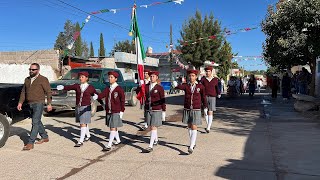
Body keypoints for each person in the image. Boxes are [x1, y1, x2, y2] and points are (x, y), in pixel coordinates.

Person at [56, 71, 98, 147]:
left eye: (82, 77)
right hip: (78, 106)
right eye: (80, 77)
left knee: (82, 123)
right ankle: (88, 136)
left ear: (86, 78)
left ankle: (80, 141)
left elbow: (96, 94)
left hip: (86, 107)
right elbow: (69, 87)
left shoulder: (90, 87)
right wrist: (63, 87)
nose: (80, 78)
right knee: (83, 122)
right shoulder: (77, 86)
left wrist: (97, 97)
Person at [18, 63, 52, 151]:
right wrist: (20, 102)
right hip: (30, 104)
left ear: (38, 70)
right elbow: (23, 92)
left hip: (39, 103)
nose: (31, 71)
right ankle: (44, 136)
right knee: (37, 121)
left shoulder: (43, 79)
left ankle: (30, 143)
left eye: (33, 70)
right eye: (30, 69)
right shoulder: (27, 79)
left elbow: (48, 92)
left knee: (35, 122)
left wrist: (49, 103)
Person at [173, 69, 207, 154]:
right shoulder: (186, 86)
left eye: (193, 76)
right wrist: (175, 84)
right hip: (187, 108)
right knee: (189, 126)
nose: (191, 77)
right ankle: (193, 142)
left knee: (194, 126)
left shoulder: (200, 86)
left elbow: (203, 98)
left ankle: (191, 146)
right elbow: (179, 87)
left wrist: (205, 107)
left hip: (196, 108)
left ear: (196, 77)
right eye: (190, 76)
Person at [136, 71, 166, 152]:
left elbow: (163, 100)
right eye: (151, 76)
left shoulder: (159, 88)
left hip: (157, 109)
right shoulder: (146, 86)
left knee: (153, 126)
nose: (152, 77)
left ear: (157, 77)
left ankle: (150, 146)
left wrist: (163, 111)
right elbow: (139, 92)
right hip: (148, 108)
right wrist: (140, 85)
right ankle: (156, 140)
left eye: (154, 76)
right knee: (151, 126)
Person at [97, 71, 125, 151]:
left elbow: (122, 101)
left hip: (116, 111)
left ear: (116, 79)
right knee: (112, 126)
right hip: (108, 110)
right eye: (109, 77)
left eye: (111, 77)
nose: (109, 78)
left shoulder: (119, 89)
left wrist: (122, 111)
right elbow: (101, 95)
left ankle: (109, 145)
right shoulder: (108, 88)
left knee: (112, 127)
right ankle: (118, 140)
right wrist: (95, 96)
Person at [200, 66, 221, 133]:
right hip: (204, 96)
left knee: (210, 111)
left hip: (212, 97)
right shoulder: (203, 79)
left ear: (211, 72)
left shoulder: (215, 79)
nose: (207, 72)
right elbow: (200, 87)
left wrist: (219, 93)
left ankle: (208, 127)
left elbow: (217, 87)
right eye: (206, 71)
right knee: (205, 111)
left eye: (209, 71)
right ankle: (207, 124)